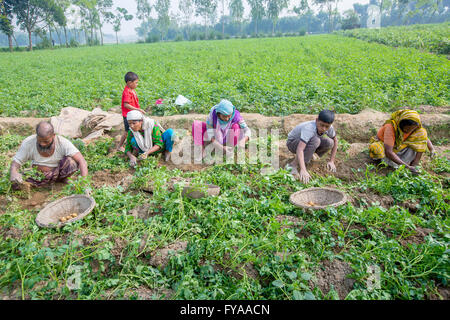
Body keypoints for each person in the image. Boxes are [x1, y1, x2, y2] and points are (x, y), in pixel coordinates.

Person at [9, 122, 88, 188]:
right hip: (40, 176)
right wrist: (13, 173)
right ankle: (42, 183)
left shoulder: (63, 143)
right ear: (36, 136)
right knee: (16, 183)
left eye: (46, 141)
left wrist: (84, 184)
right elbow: (16, 162)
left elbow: (82, 161)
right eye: (39, 141)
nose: (42, 144)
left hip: (60, 172)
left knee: (71, 162)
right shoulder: (28, 143)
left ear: (53, 135)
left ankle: (63, 179)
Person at [369, 109, 435, 174]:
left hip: (399, 146)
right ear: (401, 124)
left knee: (421, 133)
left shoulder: (416, 128)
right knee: (376, 148)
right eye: (407, 128)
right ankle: (388, 164)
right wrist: (407, 167)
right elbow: (388, 152)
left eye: (412, 129)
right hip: (386, 149)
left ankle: (414, 165)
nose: (409, 131)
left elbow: (424, 138)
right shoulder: (390, 127)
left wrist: (431, 149)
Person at [286, 110, 338, 183]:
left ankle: (309, 157)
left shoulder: (330, 128)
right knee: (316, 141)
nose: (324, 129)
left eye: (327, 126)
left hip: (308, 142)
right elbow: (300, 149)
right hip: (293, 143)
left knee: (329, 142)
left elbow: (335, 141)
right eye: (321, 125)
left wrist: (331, 161)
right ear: (316, 120)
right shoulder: (309, 128)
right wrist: (303, 170)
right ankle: (293, 165)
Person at [117, 71, 146, 152]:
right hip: (128, 115)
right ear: (129, 83)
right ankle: (120, 146)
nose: (137, 84)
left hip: (133, 114)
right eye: (136, 83)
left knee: (135, 128)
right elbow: (126, 105)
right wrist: (138, 109)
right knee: (127, 131)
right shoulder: (127, 92)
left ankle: (135, 143)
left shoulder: (131, 89)